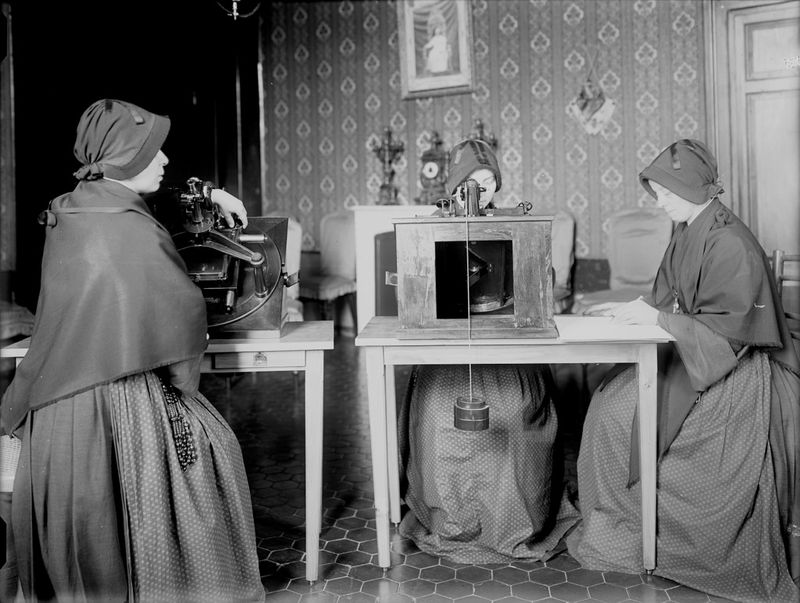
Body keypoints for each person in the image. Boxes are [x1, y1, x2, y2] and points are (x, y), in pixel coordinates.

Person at [0, 99, 265, 602]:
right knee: (215, 447)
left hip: (54, 417)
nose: (165, 161)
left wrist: (209, 192)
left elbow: (156, 209)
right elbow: (182, 313)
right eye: (153, 151)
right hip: (112, 408)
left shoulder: (74, 208)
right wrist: (185, 388)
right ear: (122, 155)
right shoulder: (130, 227)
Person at [567, 139, 799, 602]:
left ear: (698, 189)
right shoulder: (691, 225)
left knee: (618, 415)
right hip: (696, 353)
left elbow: (731, 332)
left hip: (732, 368)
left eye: (668, 193)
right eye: (657, 192)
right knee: (609, 402)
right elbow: (667, 295)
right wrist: (632, 308)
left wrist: (657, 320)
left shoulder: (732, 242)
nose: (660, 202)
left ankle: (652, 537)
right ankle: (620, 524)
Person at [398, 138, 580, 563]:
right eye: (471, 183)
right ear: (454, 187)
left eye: (489, 182)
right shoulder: (433, 227)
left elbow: (540, 284)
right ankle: (452, 520)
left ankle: (521, 520)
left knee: (516, 410)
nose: (482, 192)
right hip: (449, 357)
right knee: (440, 414)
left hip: (508, 352)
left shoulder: (515, 224)